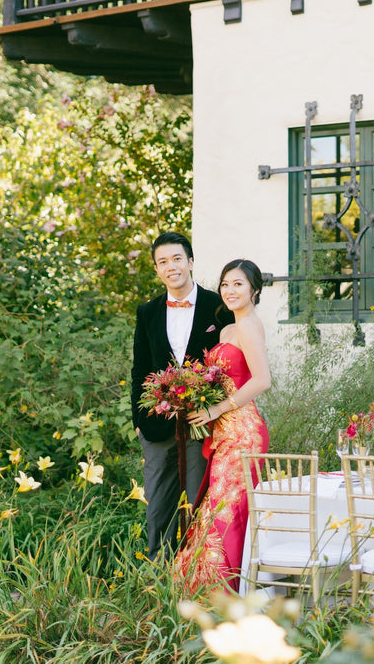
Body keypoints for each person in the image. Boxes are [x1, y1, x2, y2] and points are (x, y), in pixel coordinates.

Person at [131, 232, 234, 559]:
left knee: (200, 503)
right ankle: (159, 578)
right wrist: (138, 420)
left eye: (176, 259)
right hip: (157, 426)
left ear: (190, 261)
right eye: (163, 262)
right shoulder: (146, 312)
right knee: (158, 505)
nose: (170, 266)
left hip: (202, 424)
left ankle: (196, 577)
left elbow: (229, 364)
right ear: (157, 270)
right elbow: (139, 369)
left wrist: (217, 411)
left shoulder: (217, 307)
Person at [175, 258, 271, 592]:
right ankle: (207, 585)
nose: (230, 291)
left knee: (228, 510)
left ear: (254, 290)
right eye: (225, 284)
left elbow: (262, 380)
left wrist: (218, 408)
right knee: (216, 506)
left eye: (238, 284)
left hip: (243, 431)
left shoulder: (247, 327)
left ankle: (224, 590)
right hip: (224, 431)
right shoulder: (229, 327)